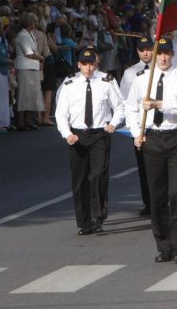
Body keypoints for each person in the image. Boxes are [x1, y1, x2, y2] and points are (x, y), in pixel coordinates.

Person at [127, 37, 177, 263]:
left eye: (167, 53)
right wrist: (137, 132)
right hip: (153, 139)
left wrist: (159, 104)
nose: (163, 58)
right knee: (157, 196)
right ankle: (164, 245)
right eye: (160, 53)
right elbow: (132, 108)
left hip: (175, 138)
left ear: (173, 55)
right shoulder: (142, 80)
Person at [55, 46, 122, 235]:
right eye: (84, 64)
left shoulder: (106, 81)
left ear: (96, 62)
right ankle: (84, 221)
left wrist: (113, 123)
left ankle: (97, 217)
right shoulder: (69, 84)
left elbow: (119, 106)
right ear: (78, 65)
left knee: (98, 175)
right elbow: (60, 114)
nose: (88, 68)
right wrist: (67, 134)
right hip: (77, 136)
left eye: (91, 63)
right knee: (80, 179)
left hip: (99, 133)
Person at [119, 36, 156, 215]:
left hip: (160, 127)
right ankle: (149, 203)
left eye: (148, 48)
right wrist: (135, 132)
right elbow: (125, 103)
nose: (146, 52)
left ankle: (163, 201)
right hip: (141, 128)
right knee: (144, 168)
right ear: (137, 52)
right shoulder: (130, 73)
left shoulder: (162, 70)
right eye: (142, 50)